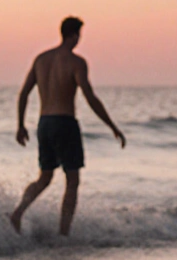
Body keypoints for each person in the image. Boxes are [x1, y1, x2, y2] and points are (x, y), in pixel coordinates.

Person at [10, 16, 126, 236]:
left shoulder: (41, 59)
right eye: (79, 35)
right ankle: (63, 234)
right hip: (64, 122)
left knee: (45, 178)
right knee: (72, 180)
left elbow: (24, 93)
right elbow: (90, 97)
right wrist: (112, 126)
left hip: (44, 124)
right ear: (74, 35)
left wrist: (21, 125)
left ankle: (17, 213)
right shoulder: (76, 62)